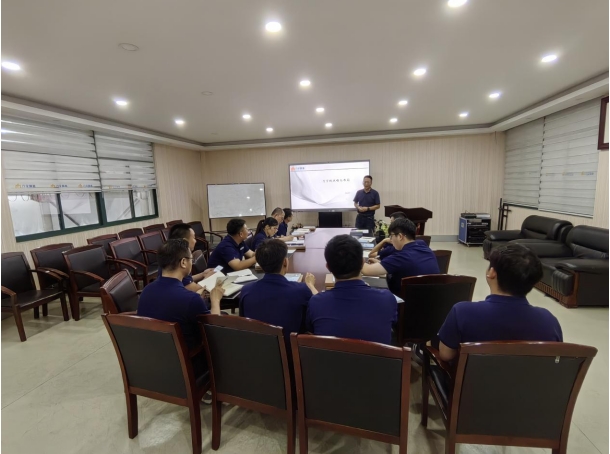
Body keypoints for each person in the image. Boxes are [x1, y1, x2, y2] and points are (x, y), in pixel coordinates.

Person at [437, 244, 563, 362]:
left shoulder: (462, 312)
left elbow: (446, 355)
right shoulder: (549, 321)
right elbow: (555, 363)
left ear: (492, 273)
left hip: (476, 379)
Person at [306, 235, 397, 345]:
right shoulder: (387, 299)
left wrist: (311, 286)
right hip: (376, 357)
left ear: (328, 267)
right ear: (362, 263)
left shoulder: (316, 303)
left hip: (331, 356)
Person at [137, 239, 224, 350]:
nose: (191, 262)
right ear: (183, 262)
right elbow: (214, 330)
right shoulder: (191, 299)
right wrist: (215, 300)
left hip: (155, 352)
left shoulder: (146, 290)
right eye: (191, 259)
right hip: (189, 356)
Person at [241, 239, 318, 338]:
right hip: (290, 346)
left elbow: (243, 322)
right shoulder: (301, 290)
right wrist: (311, 286)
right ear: (285, 262)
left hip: (256, 345)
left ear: (259, 264)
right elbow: (312, 323)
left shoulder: (246, 290)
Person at [362, 217, 439, 296]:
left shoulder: (402, 257)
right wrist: (382, 263)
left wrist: (356, 255)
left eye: (391, 236)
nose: (391, 240)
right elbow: (409, 266)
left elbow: (367, 270)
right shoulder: (422, 244)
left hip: (406, 300)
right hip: (432, 298)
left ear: (400, 236)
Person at [167, 223, 215, 292]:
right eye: (194, 238)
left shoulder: (170, 254)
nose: (195, 241)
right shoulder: (181, 260)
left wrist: (203, 274)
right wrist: (207, 278)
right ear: (185, 241)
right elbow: (193, 289)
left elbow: (185, 280)